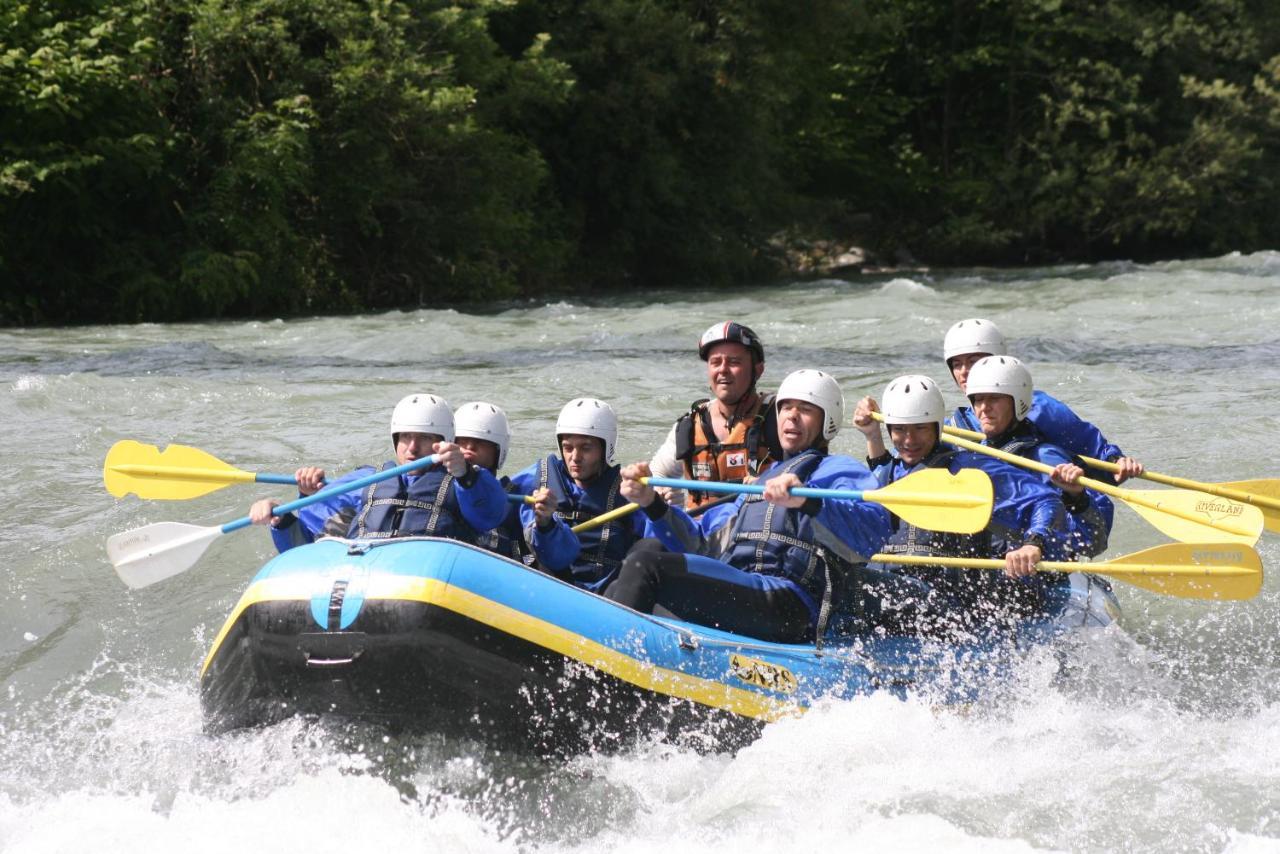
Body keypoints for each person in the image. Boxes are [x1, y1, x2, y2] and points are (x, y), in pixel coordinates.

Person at [605, 370, 896, 644]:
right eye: (785, 408)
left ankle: (611, 664)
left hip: (791, 602)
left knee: (646, 568)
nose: (791, 416)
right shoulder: (760, 483)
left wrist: (808, 500)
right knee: (645, 551)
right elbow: (700, 544)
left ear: (827, 421)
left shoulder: (840, 470)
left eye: (805, 410)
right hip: (744, 587)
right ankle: (605, 642)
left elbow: (874, 529)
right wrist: (650, 503)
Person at [852, 374, 1086, 625]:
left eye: (920, 428)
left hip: (946, 601)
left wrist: (1033, 543)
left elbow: (1045, 501)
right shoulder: (889, 472)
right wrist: (871, 435)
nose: (909, 440)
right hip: (896, 594)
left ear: (937, 426)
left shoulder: (971, 468)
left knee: (850, 583)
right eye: (899, 429)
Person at [249, 393, 509, 550]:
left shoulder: (468, 482)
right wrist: (282, 516)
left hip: (429, 580)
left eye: (425, 437)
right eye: (405, 436)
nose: (413, 447)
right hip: (368, 576)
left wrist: (465, 475)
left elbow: (491, 514)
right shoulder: (369, 480)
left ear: (443, 440)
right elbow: (308, 542)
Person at [942, 317, 1143, 482]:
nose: (964, 372)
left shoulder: (1041, 409)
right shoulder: (955, 425)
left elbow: (1094, 452)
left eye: (974, 361)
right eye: (957, 364)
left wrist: (1116, 462)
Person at [963, 356, 1112, 558]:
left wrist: (1076, 498)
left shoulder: (1046, 459)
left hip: (1041, 576)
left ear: (1018, 402)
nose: (984, 408)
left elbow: (1092, 545)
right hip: (992, 570)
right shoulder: (972, 457)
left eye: (994, 398)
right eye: (978, 399)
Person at [509, 397, 646, 591]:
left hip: (606, 592)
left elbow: (660, 536)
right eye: (568, 447)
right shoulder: (535, 479)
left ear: (605, 448)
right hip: (547, 581)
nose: (575, 457)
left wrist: (658, 503)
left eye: (586, 448)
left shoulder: (628, 491)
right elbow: (490, 504)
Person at [648, 322, 781, 509]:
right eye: (715, 362)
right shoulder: (691, 425)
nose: (723, 370)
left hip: (757, 529)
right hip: (701, 531)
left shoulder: (780, 418)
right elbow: (658, 475)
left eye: (734, 362)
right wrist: (667, 500)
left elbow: (809, 471)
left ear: (757, 370)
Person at [454, 401, 528, 563]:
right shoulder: (437, 485)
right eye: (462, 441)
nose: (469, 447)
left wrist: (546, 524)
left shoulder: (516, 497)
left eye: (481, 442)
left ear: (498, 452)